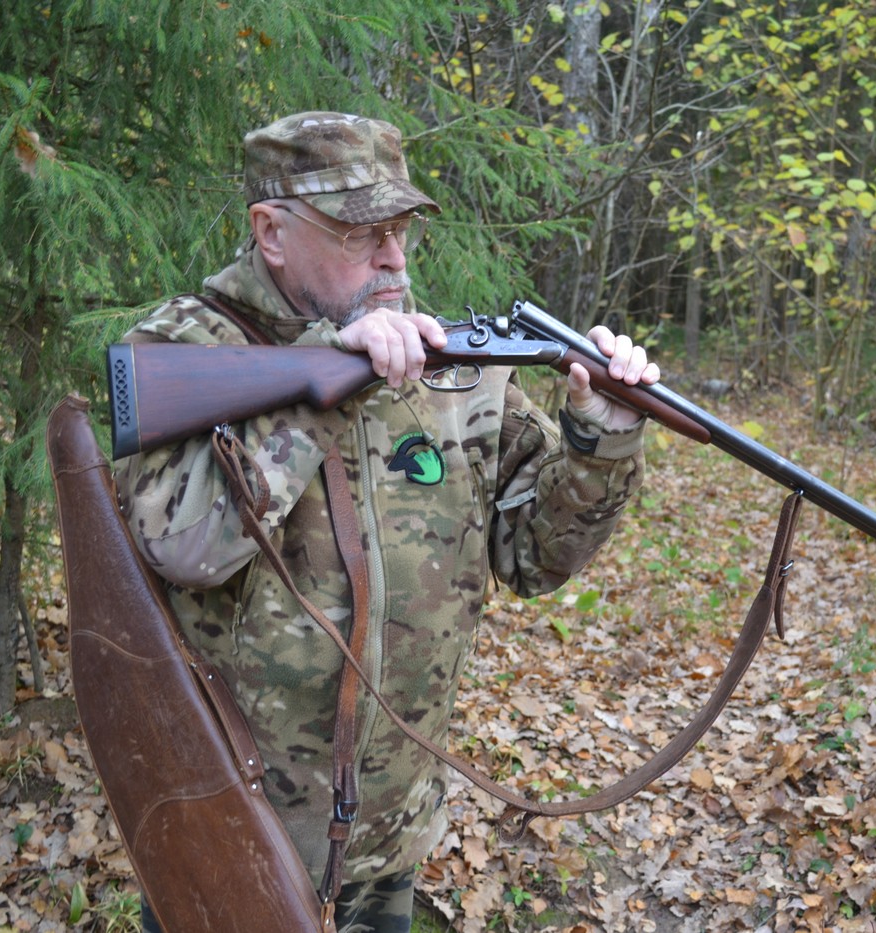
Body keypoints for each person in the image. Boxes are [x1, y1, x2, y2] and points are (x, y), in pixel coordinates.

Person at [115, 111, 658, 932]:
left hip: (389, 841)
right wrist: (328, 384)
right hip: (228, 834)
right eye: (362, 232)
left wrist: (602, 437)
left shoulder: (451, 367)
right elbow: (184, 544)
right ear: (271, 231)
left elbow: (533, 556)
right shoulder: (187, 348)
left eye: (401, 229)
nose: (395, 258)